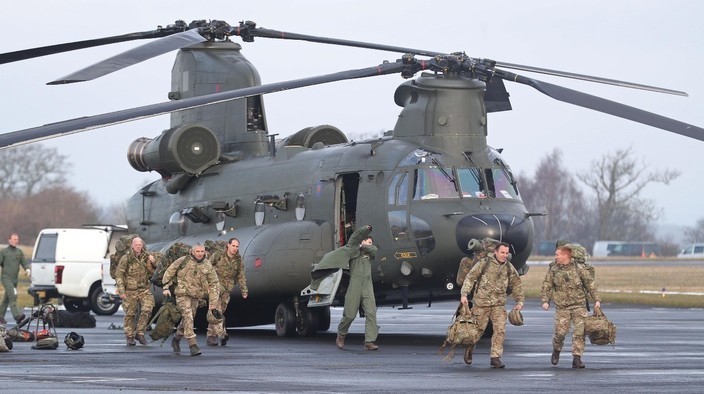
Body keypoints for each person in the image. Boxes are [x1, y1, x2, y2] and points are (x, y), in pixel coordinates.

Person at [460, 242, 524, 368]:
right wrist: (464, 294)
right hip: (481, 304)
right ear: (495, 252)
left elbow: (517, 284)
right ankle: (469, 349)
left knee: (500, 331)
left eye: (507, 253)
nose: (505, 255)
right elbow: (470, 278)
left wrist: (520, 301)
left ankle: (495, 357)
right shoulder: (484, 264)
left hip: (498, 305)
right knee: (476, 332)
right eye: (502, 252)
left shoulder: (509, 268)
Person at [541, 243, 601, 369]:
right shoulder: (553, 270)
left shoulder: (579, 268)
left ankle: (577, 358)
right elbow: (547, 286)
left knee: (579, 333)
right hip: (562, 308)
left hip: (579, 306)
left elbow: (590, 284)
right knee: (560, 333)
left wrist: (597, 300)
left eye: (557, 255)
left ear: (565, 255)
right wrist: (545, 301)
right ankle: (556, 350)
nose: (555, 257)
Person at [163, 243, 219, 356]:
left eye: (202, 251)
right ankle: (192, 344)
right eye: (197, 251)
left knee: (187, 320)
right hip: (182, 294)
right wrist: (165, 287)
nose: (200, 254)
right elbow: (169, 272)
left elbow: (214, 283)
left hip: (196, 297)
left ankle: (176, 339)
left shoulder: (207, 265)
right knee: (188, 316)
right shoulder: (183, 261)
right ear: (192, 252)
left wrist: (213, 303)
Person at [334, 226, 379, 350]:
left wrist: (365, 246)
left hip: (367, 285)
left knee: (371, 313)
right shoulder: (353, 251)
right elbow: (354, 238)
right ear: (362, 241)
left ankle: (369, 341)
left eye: (371, 243)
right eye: (368, 242)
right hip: (355, 284)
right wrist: (366, 229)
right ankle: (341, 334)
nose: (371, 245)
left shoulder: (370, 252)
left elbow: (374, 250)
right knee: (349, 314)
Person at [206, 238, 248, 347]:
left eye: (237, 246)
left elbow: (241, 276)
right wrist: (206, 284)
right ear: (228, 245)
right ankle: (221, 334)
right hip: (215, 286)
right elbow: (207, 267)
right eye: (233, 246)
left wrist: (244, 290)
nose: (235, 248)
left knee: (221, 310)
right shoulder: (218, 255)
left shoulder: (238, 260)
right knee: (215, 310)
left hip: (227, 289)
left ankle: (211, 336)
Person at [115, 237, 156, 346]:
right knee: (130, 314)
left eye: (140, 244)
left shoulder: (147, 256)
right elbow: (119, 275)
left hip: (144, 289)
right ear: (132, 245)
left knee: (147, 309)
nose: (138, 246)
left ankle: (140, 333)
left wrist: (153, 262)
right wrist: (122, 291)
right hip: (130, 290)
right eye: (136, 244)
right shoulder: (126, 258)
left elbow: (155, 271)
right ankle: (130, 336)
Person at [0, 233, 30, 325]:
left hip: (14, 280)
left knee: (7, 298)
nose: (16, 241)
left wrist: (27, 269)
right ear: (9, 240)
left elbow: (24, 263)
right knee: (13, 296)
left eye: (17, 239)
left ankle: (0, 316)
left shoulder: (19, 252)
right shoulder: (4, 252)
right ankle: (17, 316)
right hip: (6, 278)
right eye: (14, 239)